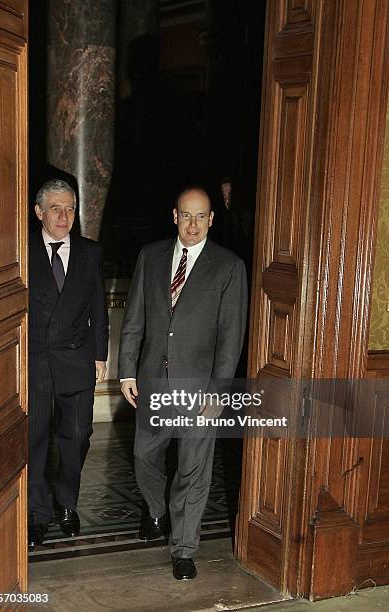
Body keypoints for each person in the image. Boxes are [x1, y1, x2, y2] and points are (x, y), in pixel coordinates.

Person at [118, 187, 247, 580]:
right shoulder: (151, 256)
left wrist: (218, 391)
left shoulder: (228, 267)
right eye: (186, 216)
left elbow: (231, 336)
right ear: (174, 216)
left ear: (212, 219)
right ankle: (156, 511)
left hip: (200, 388)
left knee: (193, 471)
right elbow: (135, 320)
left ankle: (185, 549)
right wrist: (126, 371)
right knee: (144, 459)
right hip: (153, 384)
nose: (193, 225)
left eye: (201, 217)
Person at [28, 179, 108, 548]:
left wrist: (99, 355)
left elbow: (98, 307)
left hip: (77, 359)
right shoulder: (21, 248)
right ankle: (38, 514)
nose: (64, 216)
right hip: (36, 361)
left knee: (76, 438)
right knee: (35, 442)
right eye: (56, 209)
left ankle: (66, 504)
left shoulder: (90, 252)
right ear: (39, 212)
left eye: (70, 209)